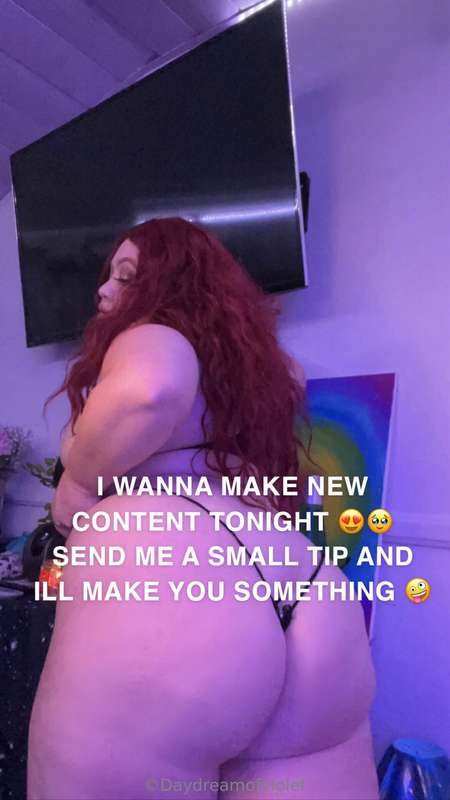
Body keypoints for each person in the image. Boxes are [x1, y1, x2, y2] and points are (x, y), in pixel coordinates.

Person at [28, 218, 379, 800]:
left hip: (174, 583)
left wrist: (81, 482)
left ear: (169, 284)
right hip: (311, 594)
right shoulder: (265, 366)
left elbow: (150, 389)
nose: (103, 290)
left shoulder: (154, 333)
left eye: (125, 276)